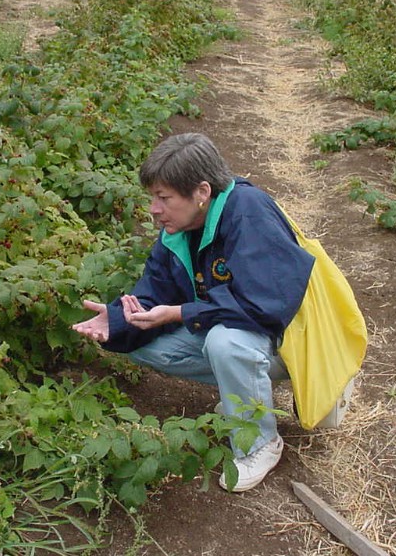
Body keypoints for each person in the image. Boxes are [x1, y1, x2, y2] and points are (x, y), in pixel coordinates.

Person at [72, 132, 315, 492]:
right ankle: (242, 399)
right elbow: (153, 294)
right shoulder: (178, 231)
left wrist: (180, 313)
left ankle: (259, 443)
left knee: (225, 343)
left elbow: (264, 307)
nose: (154, 209)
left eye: (163, 197)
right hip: (244, 333)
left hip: (293, 343)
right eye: (152, 197)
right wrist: (120, 320)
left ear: (201, 192)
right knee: (145, 344)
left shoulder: (248, 214)